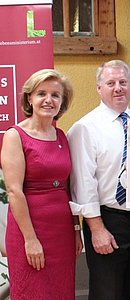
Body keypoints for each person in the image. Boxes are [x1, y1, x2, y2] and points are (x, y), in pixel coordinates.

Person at [68, 60, 130, 300]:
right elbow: (83, 183)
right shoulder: (85, 128)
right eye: (111, 83)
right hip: (108, 220)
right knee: (108, 292)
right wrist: (97, 229)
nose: (118, 88)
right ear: (98, 88)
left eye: (123, 82)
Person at [1, 69, 83, 299]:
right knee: (32, 291)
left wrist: (76, 229)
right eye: (41, 94)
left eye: (56, 95)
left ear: (62, 102)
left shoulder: (61, 137)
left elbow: (68, 187)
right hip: (30, 230)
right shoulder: (15, 135)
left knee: (61, 290)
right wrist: (30, 239)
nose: (49, 100)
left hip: (62, 232)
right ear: (29, 98)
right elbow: (14, 191)